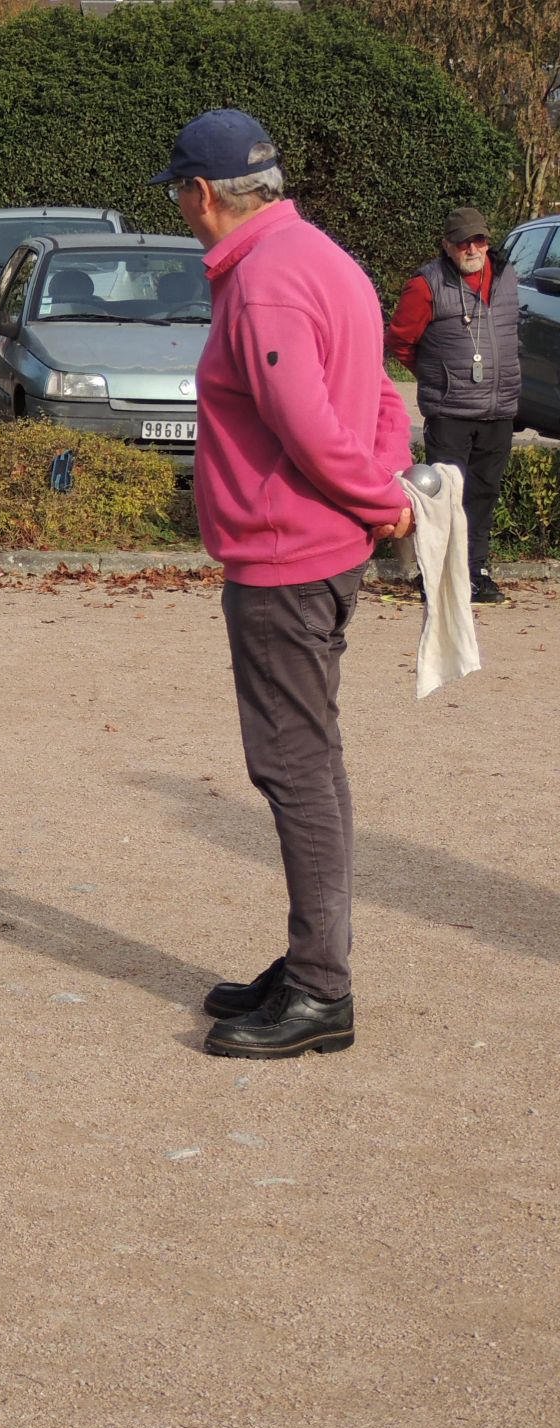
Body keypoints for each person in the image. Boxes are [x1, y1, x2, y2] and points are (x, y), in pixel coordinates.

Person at [154, 108, 414, 1059]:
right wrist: (381, 491)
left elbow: (306, 425)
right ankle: (313, 957)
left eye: (180, 195)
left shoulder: (262, 282)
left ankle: (320, 988)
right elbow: (380, 394)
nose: (182, 211)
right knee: (313, 762)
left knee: (294, 769)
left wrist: (379, 499)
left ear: (203, 193)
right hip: (323, 551)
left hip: (284, 560)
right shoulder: (325, 258)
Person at [385, 207, 521, 605]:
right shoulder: (426, 285)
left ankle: (475, 572)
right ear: (447, 246)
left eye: (479, 240)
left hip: (498, 409)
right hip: (450, 412)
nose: (472, 248)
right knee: (443, 500)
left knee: (483, 495)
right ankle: (437, 576)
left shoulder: (507, 277)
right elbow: (400, 342)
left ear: (488, 241)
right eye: (463, 242)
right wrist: (437, 375)